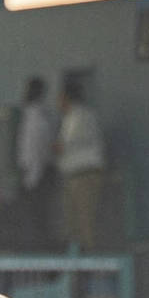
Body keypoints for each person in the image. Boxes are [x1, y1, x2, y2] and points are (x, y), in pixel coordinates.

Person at [56, 79, 105, 253]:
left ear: (66, 98)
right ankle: (77, 265)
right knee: (73, 225)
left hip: (84, 175)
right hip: (73, 177)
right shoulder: (69, 118)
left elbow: (63, 146)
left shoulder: (81, 115)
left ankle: (93, 268)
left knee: (86, 223)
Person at [16, 77, 58, 248]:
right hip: (31, 174)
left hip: (37, 176)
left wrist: (32, 178)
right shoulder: (30, 116)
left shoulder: (38, 118)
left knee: (38, 218)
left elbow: (37, 151)